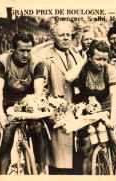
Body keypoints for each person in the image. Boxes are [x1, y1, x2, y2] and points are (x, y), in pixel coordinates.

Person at [65, 40, 116, 175]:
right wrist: (84, 61)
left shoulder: (110, 70)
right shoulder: (83, 68)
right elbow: (68, 77)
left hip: (107, 111)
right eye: (97, 59)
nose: (101, 63)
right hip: (87, 112)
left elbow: (114, 94)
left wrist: (113, 119)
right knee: (86, 147)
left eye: (104, 59)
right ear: (90, 56)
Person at [0, 32, 46, 174]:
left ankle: (41, 171)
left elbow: (38, 91)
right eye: (22, 50)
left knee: (37, 128)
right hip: (8, 104)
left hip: (28, 104)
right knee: (7, 136)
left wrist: (35, 111)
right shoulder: (2, 61)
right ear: (12, 50)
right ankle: (2, 175)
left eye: (29, 50)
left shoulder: (37, 63)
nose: (26, 54)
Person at [42, 22, 83, 174]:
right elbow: (43, 88)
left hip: (76, 112)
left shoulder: (75, 54)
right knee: (59, 163)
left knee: (77, 159)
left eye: (68, 35)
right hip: (58, 114)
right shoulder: (45, 58)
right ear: (52, 36)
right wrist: (50, 112)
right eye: (61, 35)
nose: (66, 38)